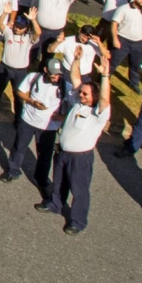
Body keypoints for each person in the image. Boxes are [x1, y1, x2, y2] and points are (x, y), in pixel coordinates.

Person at [35, 54, 111, 235]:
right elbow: (76, 77)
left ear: (94, 96)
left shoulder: (98, 113)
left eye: (85, 94)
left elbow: (105, 100)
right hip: (63, 153)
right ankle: (55, 203)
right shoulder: (78, 102)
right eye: (81, 92)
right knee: (60, 181)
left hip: (80, 158)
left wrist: (105, 76)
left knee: (79, 189)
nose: (81, 95)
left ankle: (78, 221)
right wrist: (76, 60)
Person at [1, 58, 67, 193]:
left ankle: (41, 179)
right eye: (53, 73)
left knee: (44, 155)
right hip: (28, 121)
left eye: (59, 73)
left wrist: (62, 117)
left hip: (49, 127)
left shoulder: (66, 87)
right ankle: (12, 171)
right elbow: (20, 91)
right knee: (19, 147)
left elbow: (76, 106)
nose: (56, 76)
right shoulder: (33, 77)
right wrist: (31, 101)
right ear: (45, 70)